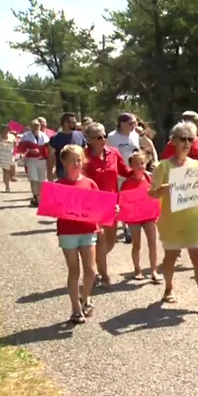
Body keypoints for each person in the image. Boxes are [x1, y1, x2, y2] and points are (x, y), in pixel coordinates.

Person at [150, 121, 198, 315]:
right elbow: (151, 193)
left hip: (195, 219)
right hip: (172, 221)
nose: (187, 143)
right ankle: (169, 287)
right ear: (173, 141)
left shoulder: (197, 165)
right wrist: (162, 190)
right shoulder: (163, 166)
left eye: (190, 139)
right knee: (170, 258)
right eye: (183, 139)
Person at [55, 144, 100, 324]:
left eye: (79, 159)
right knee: (74, 270)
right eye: (72, 160)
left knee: (91, 270)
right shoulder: (59, 185)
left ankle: (85, 297)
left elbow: (100, 206)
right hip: (68, 232)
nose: (76, 163)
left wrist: (113, 210)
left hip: (88, 229)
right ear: (64, 162)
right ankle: (75, 308)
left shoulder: (90, 183)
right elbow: (53, 208)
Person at [84, 122, 130, 287]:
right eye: (98, 137)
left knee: (110, 241)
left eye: (104, 135)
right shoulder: (83, 156)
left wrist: (141, 171)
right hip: (92, 204)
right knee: (101, 239)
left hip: (112, 203)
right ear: (89, 139)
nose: (103, 139)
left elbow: (125, 171)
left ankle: (95, 262)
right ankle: (103, 274)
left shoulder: (113, 153)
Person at [121, 150, 160, 283]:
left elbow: (156, 196)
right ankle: (137, 270)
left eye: (142, 163)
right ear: (131, 165)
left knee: (152, 244)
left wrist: (157, 213)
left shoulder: (150, 178)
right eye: (137, 164)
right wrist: (125, 220)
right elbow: (123, 201)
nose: (140, 166)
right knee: (136, 245)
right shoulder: (127, 183)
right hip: (134, 218)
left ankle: (154, 270)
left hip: (149, 216)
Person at [107, 112, 142, 244]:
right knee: (121, 201)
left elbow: (143, 150)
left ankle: (131, 223)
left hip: (133, 173)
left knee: (132, 200)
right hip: (119, 174)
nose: (134, 126)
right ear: (121, 124)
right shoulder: (112, 137)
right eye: (131, 123)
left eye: (135, 123)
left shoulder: (136, 135)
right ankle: (125, 227)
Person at [17, 119, 50, 207]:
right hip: (31, 160)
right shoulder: (26, 136)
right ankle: (36, 196)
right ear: (31, 126)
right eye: (34, 125)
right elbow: (20, 148)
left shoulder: (44, 136)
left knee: (42, 179)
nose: (36, 127)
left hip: (42, 160)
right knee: (34, 179)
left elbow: (48, 148)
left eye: (37, 125)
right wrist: (30, 150)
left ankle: (40, 197)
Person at [48, 112, 86, 180]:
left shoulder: (80, 135)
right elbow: (51, 157)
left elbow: (85, 151)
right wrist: (50, 173)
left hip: (79, 171)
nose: (75, 124)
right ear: (66, 123)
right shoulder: (56, 138)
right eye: (73, 123)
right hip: (63, 172)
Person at [0, 124, 17, 192]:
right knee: (6, 171)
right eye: (4, 129)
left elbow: (15, 144)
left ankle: (10, 178)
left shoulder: (12, 136)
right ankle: (7, 187)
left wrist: (15, 144)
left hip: (10, 156)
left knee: (12, 172)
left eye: (7, 129)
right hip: (2, 157)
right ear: (1, 130)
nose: (6, 131)